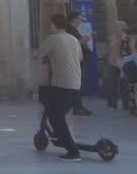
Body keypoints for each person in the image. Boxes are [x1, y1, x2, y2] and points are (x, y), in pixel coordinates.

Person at [39, 13, 84, 161]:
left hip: (61, 84)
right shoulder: (73, 39)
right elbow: (80, 58)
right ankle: (66, 143)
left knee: (56, 117)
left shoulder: (52, 39)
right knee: (56, 115)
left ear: (53, 25)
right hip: (76, 83)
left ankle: (73, 150)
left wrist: (46, 57)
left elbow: (38, 55)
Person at [65, 11, 94, 116]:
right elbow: (74, 43)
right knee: (78, 84)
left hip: (80, 60)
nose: (81, 21)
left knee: (79, 84)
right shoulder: (69, 29)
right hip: (77, 61)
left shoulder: (73, 29)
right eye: (79, 19)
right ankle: (77, 107)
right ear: (74, 19)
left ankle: (78, 106)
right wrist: (84, 40)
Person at [119, 28, 137, 117]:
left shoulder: (123, 40)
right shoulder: (131, 41)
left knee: (130, 87)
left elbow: (121, 56)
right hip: (134, 67)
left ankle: (132, 109)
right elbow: (135, 54)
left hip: (127, 67)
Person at [105, 20, 127, 110]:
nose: (116, 28)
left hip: (122, 63)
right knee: (112, 84)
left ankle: (125, 104)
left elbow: (126, 52)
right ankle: (112, 103)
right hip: (112, 63)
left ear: (122, 28)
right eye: (115, 27)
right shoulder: (112, 37)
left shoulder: (126, 38)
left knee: (124, 85)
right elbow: (110, 50)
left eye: (118, 27)